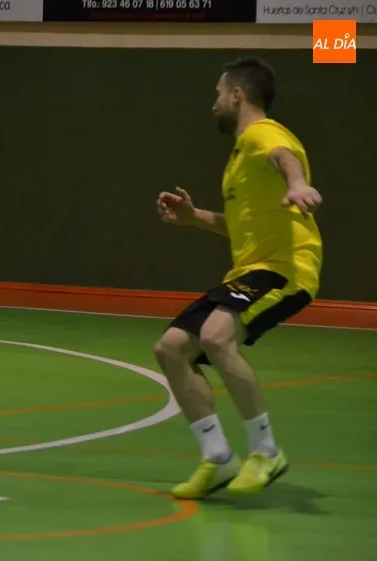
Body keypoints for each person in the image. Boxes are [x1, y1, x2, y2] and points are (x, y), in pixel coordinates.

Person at [155, 57, 323, 498]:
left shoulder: (261, 134)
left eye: (218, 93)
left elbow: (284, 157)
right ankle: (217, 458)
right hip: (248, 270)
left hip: (285, 267)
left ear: (236, 94)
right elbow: (241, 225)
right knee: (171, 348)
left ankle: (266, 450)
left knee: (215, 336)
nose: (213, 103)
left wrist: (297, 183)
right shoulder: (237, 158)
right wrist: (194, 217)